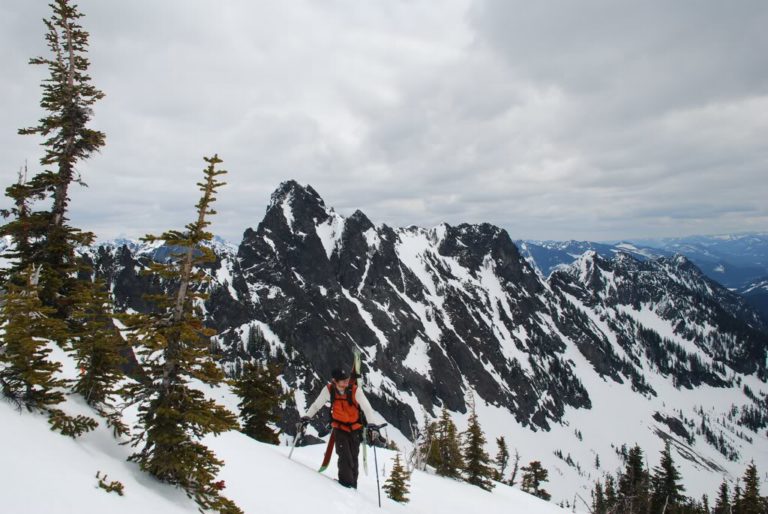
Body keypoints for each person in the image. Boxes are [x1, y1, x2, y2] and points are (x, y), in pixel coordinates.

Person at [301, 367, 386, 489]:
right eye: (343, 381)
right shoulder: (329, 390)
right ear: (335, 381)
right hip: (339, 428)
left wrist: (372, 425)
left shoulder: (355, 391)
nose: (346, 382)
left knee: (353, 457)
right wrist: (306, 417)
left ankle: (352, 486)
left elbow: (367, 408)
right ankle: (346, 486)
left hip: (355, 429)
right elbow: (316, 405)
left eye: (347, 379)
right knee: (344, 456)